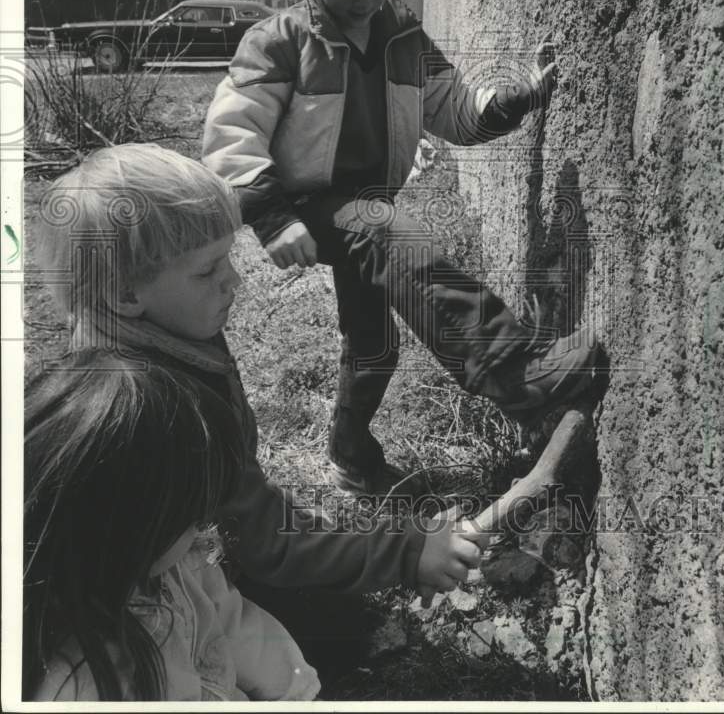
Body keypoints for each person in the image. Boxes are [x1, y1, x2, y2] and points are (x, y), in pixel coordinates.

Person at [202, 0, 601, 497]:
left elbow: (454, 110)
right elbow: (231, 135)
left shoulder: (401, 34)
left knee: (374, 345)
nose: (363, 0)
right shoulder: (278, 42)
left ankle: (350, 454)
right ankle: (518, 376)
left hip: (366, 207)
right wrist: (271, 216)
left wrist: (515, 99)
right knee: (386, 227)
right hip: (310, 206)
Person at [35, 143, 485, 677]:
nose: (235, 279)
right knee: (319, 646)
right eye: (207, 271)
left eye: (229, 256)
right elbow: (265, 541)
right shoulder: (169, 415)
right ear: (126, 293)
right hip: (138, 604)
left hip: (171, 557)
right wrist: (409, 551)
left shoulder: (152, 330)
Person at [23, 351, 321, 702]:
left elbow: (238, 626)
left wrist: (300, 693)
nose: (204, 531)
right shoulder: (78, 686)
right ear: (127, 533)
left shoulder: (177, 565)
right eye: (193, 519)